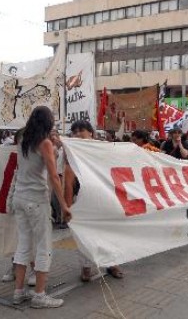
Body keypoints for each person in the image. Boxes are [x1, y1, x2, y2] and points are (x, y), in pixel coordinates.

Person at [11, 106, 71, 309]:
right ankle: (39, 295)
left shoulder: (22, 140)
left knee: (23, 245)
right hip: (36, 200)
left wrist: (54, 146)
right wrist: (64, 205)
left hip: (19, 197)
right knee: (44, 246)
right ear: (48, 123)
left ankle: (18, 292)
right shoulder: (44, 143)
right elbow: (54, 176)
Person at [66, 120, 123, 282]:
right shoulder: (70, 152)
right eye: (74, 131)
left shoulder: (103, 149)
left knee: (109, 232)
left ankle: (112, 263)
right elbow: (68, 181)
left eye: (81, 130)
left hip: (104, 197)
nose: (77, 134)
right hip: (82, 199)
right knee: (83, 233)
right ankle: (86, 267)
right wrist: (67, 205)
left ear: (91, 132)